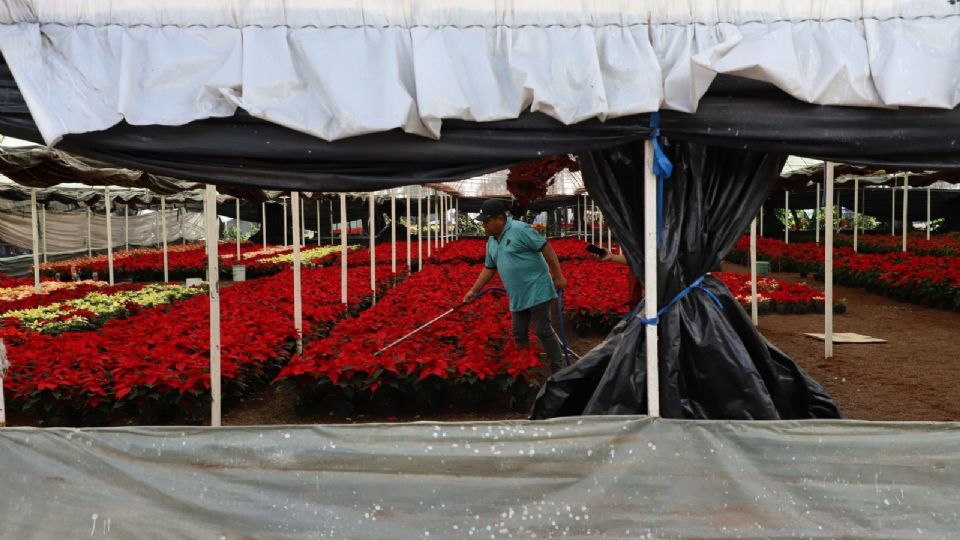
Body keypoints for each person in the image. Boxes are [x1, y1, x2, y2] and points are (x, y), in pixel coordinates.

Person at [463, 199, 568, 374]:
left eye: (486, 221)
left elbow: (546, 248)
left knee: (542, 330)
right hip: (517, 295)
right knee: (519, 333)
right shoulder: (491, 241)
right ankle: (525, 368)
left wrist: (558, 275)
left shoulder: (520, 229)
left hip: (537, 288)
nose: (484, 226)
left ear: (499, 219)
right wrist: (473, 291)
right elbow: (489, 268)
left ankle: (558, 368)